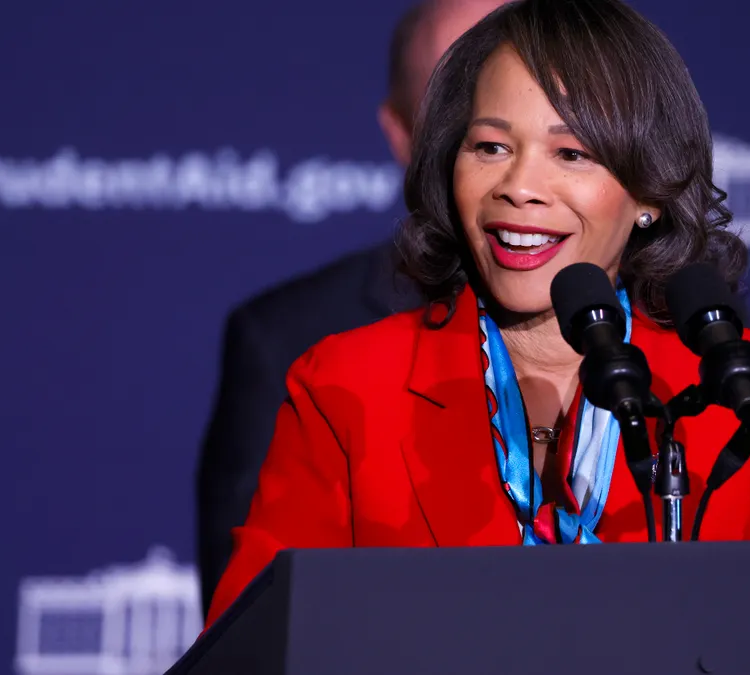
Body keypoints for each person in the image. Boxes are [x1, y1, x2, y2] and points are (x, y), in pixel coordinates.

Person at [203, 0, 750, 630]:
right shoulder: (345, 384)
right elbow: (254, 646)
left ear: (649, 191)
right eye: (490, 146)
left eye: (571, 153)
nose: (520, 185)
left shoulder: (747, 395)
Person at [193, 0, 508, 618]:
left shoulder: (684, 335)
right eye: (460, 106)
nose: (498, 142)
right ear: (401, 135)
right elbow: (254, 631)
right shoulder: (291, 340)